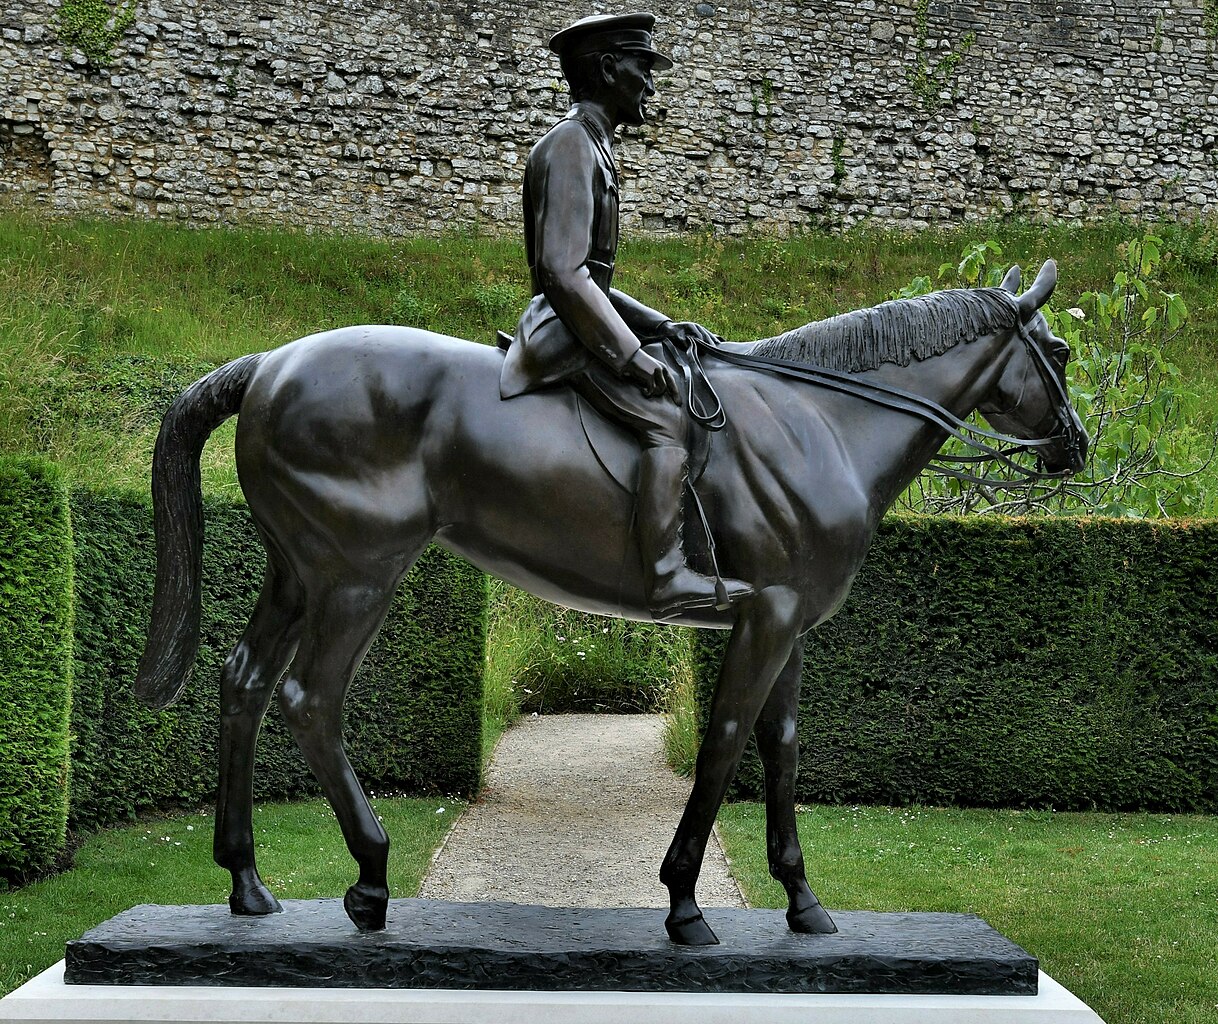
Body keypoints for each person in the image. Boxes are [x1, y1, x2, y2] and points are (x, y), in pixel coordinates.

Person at [500, 12, 752, 621]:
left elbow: (593, 276)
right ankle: (665, 576)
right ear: (609, 69)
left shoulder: (589, 145)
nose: (650, 84)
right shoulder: (569, 146)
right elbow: (563, 276)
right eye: (643, 69)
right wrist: (634, 358)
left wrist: (660, 326)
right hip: (565, 335)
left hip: (582, 322)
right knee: (669, 419)